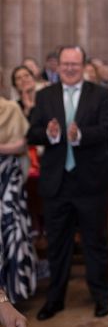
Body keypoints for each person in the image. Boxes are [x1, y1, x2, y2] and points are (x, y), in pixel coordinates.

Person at [27, 46, 108, 320]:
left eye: (74, 64)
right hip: (57, 183)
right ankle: (55, 300)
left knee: (95, 243)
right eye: (64, 64)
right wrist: (50, 134)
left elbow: (105, 130)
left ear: (83, 65)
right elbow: (33, 132)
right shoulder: (44, 95)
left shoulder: (100, 93)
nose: (68, 68)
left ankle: (101, 296)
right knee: (58, 245)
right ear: (58, 66)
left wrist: (79, 136)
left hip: (90, 182)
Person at [0, 78, 37, 304]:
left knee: (11, 228)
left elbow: (22, 144)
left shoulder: (11, 108)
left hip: (7, 175)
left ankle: (16, 290)